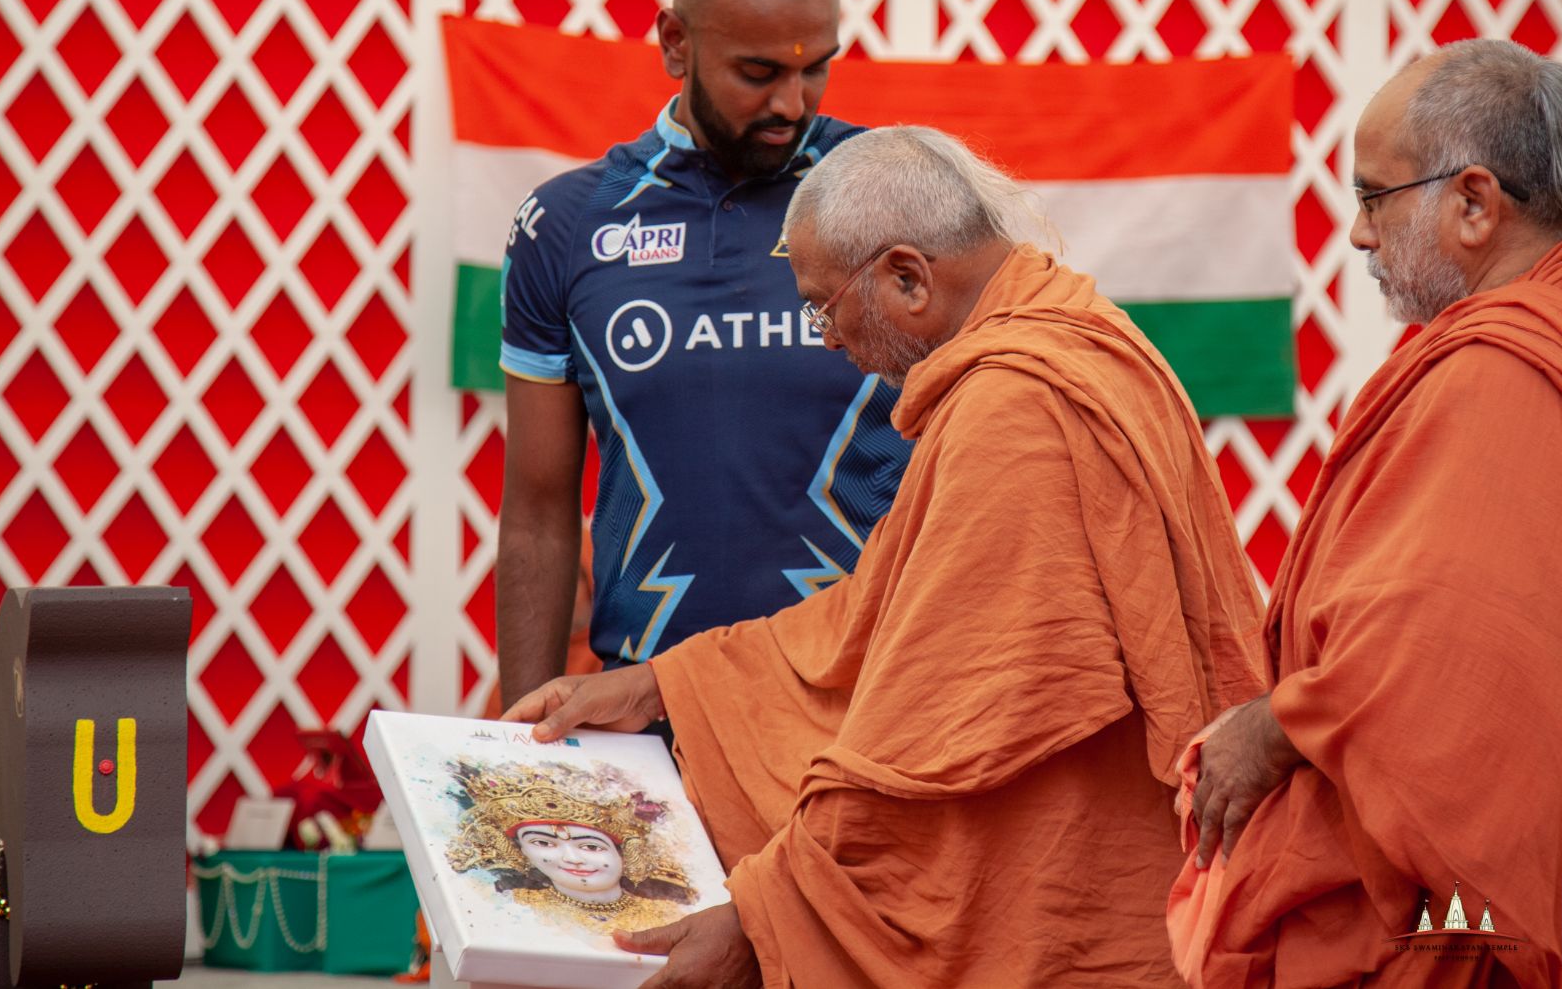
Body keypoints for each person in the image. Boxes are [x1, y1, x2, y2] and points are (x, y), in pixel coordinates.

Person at [507, 127, 1270, 988]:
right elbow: (882, 611)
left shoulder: (1014, 412)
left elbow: (923, 742)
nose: (824, 338)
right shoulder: (1080, 334)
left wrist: (767, 915)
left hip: (1066, 898)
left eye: (823, 306)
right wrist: (661, 683)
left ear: (907, 278)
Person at [1172, 39, 1562, 987]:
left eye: (1374, 197)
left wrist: (1273, 729)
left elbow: (1441, 665)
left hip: (1465, 917)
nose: (1360, 236)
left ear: (1474, 202)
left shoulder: (1504, 372)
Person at [495, 0, 908, 707]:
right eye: (759, 72)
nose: (793, 101)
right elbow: (539, 514)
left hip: (865, 720)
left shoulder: (895, 196)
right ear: (675, 43)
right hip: (652, 730)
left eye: (816, 66)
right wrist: (526, 748)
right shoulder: (568, 227)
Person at [446, 759, 696, 939]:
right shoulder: (511, 907)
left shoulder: (673, 916)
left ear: (624, 853)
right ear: (520, 852)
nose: (572, 858)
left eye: (590, 846)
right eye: (543, 843)